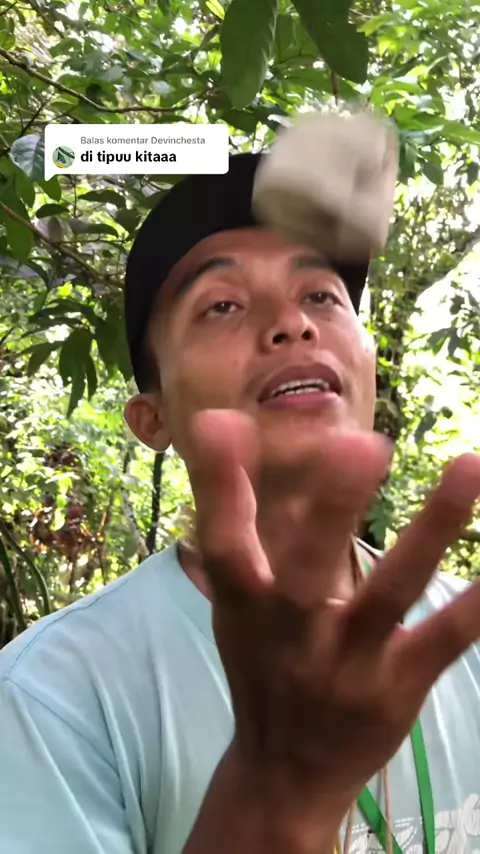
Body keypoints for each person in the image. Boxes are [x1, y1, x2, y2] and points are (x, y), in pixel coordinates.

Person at [1, 153, 480, 854]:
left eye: (321, 295)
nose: (293, 323)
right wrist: (273, 797)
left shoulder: (465, 637)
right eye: (221, 305)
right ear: (153, 419)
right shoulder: (51, 697)